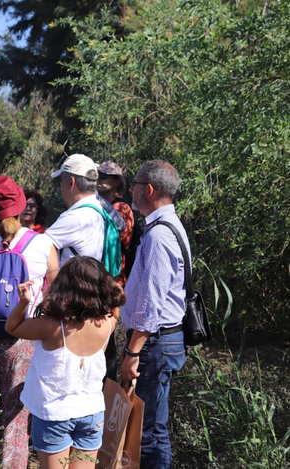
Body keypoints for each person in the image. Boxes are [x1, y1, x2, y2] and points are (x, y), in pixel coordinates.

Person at [0, 175, 59, 469]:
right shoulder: (43, 244)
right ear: (21, 207)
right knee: (15, 420)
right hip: (21, 336)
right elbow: (53, 285)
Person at [5, 256, 125, 469]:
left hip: (54, 414)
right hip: (92, 412)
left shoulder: (51, 326)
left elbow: (12, 327)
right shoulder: (107, 322)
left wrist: (24, 301)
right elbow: (115, 308)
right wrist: (113, 289)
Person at [121, 160, 189, 469]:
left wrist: (132, 351)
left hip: (155, 345)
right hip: (161, 342)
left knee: (147, 433)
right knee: (151, 429)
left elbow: (151, 305)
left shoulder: (160, 236)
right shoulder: (166, 227)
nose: (131, 190)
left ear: (148, 189)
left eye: (134, 184)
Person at [45, 153, 123, 382]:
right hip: (104, 301)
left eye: (61, 181)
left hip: (78, 308)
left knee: (77, 374)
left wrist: (53, 288)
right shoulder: (104, 208)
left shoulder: (75, 217)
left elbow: (41, 247)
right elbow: (122, 225)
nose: (60, 188)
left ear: (70, 182)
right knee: (103, 371)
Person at [97, 161, 135, 286]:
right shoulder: (102, 206)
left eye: (103, 175)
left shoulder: (121, 208)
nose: (98, 179)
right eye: (97, 174)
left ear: (117, 182)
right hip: (103, 277)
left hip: (114, 280)